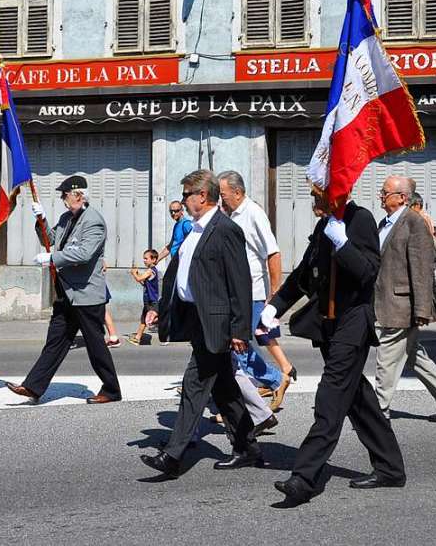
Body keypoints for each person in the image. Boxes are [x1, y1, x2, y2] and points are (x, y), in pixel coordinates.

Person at [262, 188, 405, 505]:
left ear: (337, 194)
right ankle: (390, 468)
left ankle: (304, 477)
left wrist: (343, 244)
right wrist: (274, 308)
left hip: (353, 323)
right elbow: (304, 273)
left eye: (318, 196)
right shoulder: (325, 223)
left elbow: (368, 273)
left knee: (330, 397)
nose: (313, 202)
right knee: (358, 398)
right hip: (329, 324)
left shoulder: (359, 219)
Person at [140, 170, 259, 478]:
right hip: (196, 318)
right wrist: (159, 310)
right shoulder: (193, 229)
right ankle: (247, 446)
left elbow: (240, 283)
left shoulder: (224, 229)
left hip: (216, 324)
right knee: (222, 386)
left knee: (194, 384)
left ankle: (173, 456)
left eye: (186, 196)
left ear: (201, 196)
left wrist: (239, 330)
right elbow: (184, 275)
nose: (183, 201)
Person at [5, 175, 122, 405]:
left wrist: (52, 258)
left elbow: (84, 254)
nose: (62, 198)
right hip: (66, 293)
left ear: (78, 195)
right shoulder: (67, 218)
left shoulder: (93, 221)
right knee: (55, 342)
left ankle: (111, 390)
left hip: (86, 295)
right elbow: (51, 239)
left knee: (96, 346)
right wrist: (42, 220)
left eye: (65, 194)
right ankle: (33, 387)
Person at [372, 177, 436, 423]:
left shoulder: (414, 223)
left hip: (401, 305)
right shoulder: (385, 223)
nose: (381, 196)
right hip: (387, 301)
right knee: (415, 356)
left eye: (385, 192)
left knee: (387, 358)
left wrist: (423, 309)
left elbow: (422, 269)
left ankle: (379, 409)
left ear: (402, 197)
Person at [217, 171, 295, 411]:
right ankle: (254, 394)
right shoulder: (231, 215)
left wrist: (275, 293)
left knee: (238, 345)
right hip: (235, 292)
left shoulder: (253, 214)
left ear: (238, 192)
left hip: (251, 292)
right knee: (236, 346)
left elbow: (273, 252)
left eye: (223, 195)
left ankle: (273, 380)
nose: (221, 200)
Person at [409, 192, 436, 333]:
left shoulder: (421, 217)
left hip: (425, 262)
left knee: (433, 293)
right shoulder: (422, 217)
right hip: (425, 261)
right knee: (432, 292)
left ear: (417, 205)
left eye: (410, 205)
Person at [127, 249, 160, 345]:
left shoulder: (151, 271)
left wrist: (134, 274)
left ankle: (163, 324)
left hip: (151, 300)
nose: (144, 260)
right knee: (143, 320)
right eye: (144, 259)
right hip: (147, 300)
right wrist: (136, 275)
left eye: (146, 258)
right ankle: (137, 338)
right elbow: (143, 282)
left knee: (150, 319)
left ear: (153, 259)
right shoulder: (150, 271)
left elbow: (139, 279)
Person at [156, 199, 192, 265]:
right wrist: (157, 259)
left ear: (182, 210)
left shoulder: (186, 224)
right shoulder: (177, 225)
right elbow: (170, 246)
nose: (173, 213)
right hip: (175, 262)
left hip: (182, 262)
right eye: (171, 211)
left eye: (176, 211)